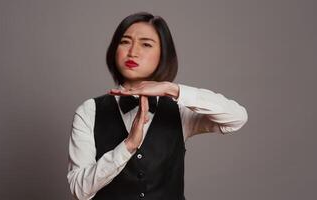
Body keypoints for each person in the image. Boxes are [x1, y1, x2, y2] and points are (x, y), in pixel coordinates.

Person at [67, 11, 248, 200]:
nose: (133, 52)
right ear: (114, 49)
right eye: (125, 41)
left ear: (163, 54)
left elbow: (236, 118)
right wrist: (128, 146)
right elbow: (80, 190)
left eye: (146, 44)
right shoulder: (89, 110)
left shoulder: (179, 109)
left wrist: (172, 89)